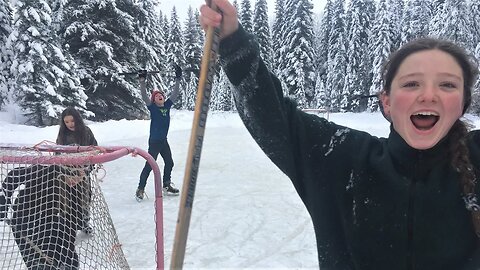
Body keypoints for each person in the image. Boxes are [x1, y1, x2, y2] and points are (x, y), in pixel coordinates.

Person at [199, 0, 480, 269]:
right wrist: (233, 41)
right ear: (387, 102)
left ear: (463, 103)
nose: (428, 95)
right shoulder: (344, 159)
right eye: (411, 83)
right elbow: (276, 119)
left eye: (446, 85)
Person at [0, 165, 87, 269]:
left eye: (82, 175)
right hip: (25, 222)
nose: (77, 179)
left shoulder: (75, 188)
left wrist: (68, 249)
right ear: (65, 171)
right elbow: (14, 176)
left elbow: (72, 219)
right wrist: (2, 204)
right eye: (75, 175)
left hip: (51, 222)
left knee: (70, 263)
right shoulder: (45, 172)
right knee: (39, 265)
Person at [136, 65, 182, 200]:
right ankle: (140, 188)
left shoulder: (167, 106)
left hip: (163, 141)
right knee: (150, 164)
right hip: (155, 142)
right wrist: (142, 80)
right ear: (154, 100)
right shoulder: (153, 108)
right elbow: (144, 96)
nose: (160, 96)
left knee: (169, 162)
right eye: (157, 96)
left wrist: (178, 79)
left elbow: (175, 94)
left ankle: (166, 184)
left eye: (161, 95)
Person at [56, 106, 98, 235]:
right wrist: (64, 174)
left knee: (84, 199)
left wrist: (84, 172)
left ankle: (84, 222)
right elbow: (57, 156)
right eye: (66, 122)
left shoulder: (86, 132)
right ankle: (66, 226)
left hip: (82, 174)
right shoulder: (62, 135)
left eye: (72, 121)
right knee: (66, 201)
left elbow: (94, 152)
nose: (70, 124)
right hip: (66, 175)